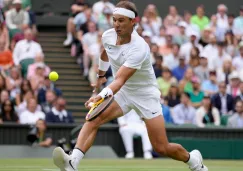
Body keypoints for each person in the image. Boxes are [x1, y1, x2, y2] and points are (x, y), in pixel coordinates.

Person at [52, 2, 208, 171]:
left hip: (145, 96)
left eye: (121, 20)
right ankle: (72, 163)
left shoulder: (140, 48)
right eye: (114, 20)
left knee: (161, 147)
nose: (117, 24)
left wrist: (102, 94)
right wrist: (101, 76)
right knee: (93, 118)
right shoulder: (108, 36)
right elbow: (106, 52)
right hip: (124, 93)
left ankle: (193, 160)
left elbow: (120, 79)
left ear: (133, 22)